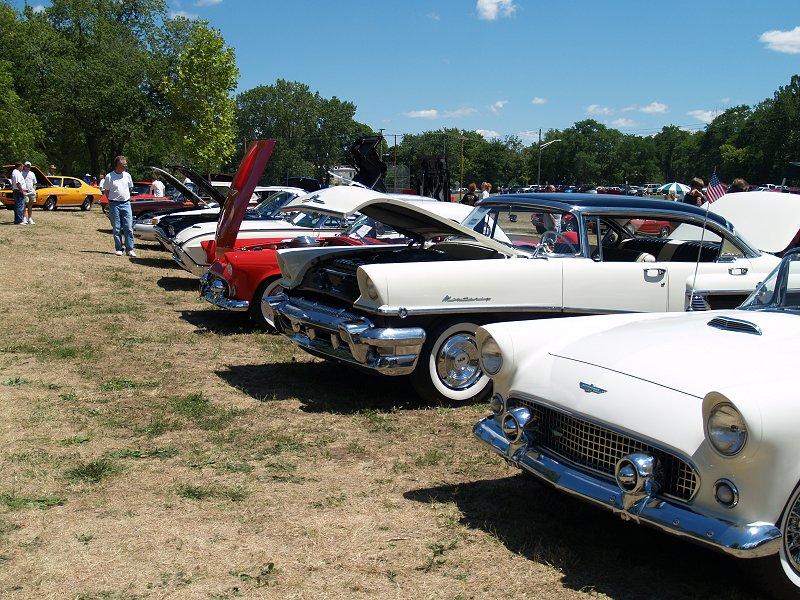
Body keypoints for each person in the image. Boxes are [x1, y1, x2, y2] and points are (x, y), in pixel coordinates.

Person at [101, 156, 136, 257]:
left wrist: (126, 197)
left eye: (126, 164)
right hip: (114, 204)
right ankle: (119, 248)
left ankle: (130, 249)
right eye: (123, 164)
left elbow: (130, 188)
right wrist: (111, 201)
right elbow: (106, 191)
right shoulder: (109, 176)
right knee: (116, 228)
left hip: (126, 203)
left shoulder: (127, 175)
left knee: (128, 227)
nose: (125, 166)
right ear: (117, 165)